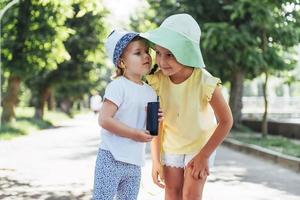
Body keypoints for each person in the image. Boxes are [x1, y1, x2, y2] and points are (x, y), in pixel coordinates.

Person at [141, 13, 233, 200]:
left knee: (191, 195)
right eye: (158, 53)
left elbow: (226, 121)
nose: (161, 61)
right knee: (172, 194)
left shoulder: (206, 82)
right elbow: (155, 123)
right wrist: (156, 159)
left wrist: (204, 156)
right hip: (171, 147)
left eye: (170, 55)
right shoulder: (157, 81)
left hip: (200, 147)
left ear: (187, 53)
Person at [92, 30, 161, 200]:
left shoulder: (151, 92)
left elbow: (147, 129)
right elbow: (104, 119)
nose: (146, 56)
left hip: (134, 162)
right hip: (110, 158)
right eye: (138, 53)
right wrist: (134, 134)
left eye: (147, 51)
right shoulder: (118, 86)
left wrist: (155, 121)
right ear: (122, 62)